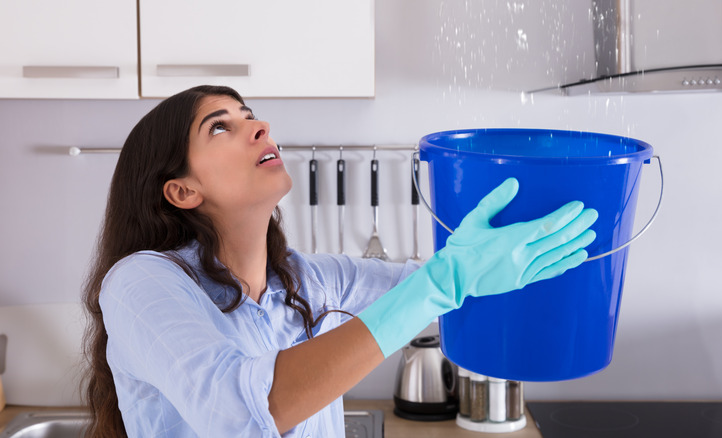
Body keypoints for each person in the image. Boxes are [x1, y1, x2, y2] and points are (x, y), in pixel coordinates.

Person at [81, 85, 598, 437]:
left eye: (250, 114)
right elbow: (239, 413)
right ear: (182, 189)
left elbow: (451, 291)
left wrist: (524, 237)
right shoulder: (141, 282)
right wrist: (447, 279)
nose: (259, 126)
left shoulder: (309, 281)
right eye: (221, 127)